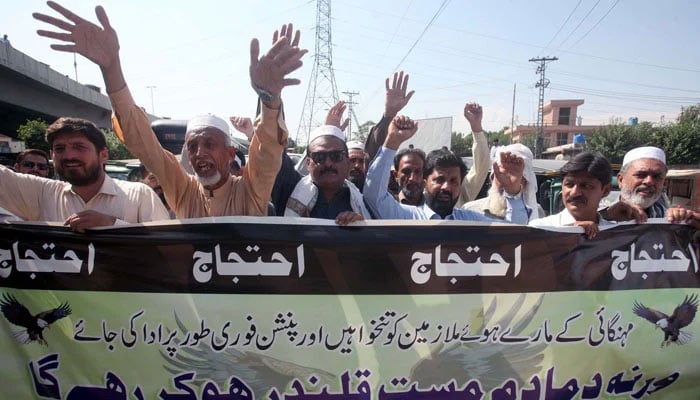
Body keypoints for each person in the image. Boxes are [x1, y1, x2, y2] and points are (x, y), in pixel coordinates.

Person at [34, 3, 306, 218]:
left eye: (209, 144)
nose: (199, 153)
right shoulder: (184, 189)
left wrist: (269, 100)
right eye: (193, 145)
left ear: (231, 153)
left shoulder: (252, 190)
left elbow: (268, 150)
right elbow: (142, 141)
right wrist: (111, 67)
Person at [0, 117, 169, 231]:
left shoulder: (140, 195)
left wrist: (112, 225)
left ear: (103, 155)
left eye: (79, 147)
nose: (68, 156)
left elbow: (170, 249)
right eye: (60, 149)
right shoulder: (43, 193)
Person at [364, 115, 529, 223]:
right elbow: (373, 195)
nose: (446, 187)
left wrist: (513, 190)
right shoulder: (406, 217)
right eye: (439, 180)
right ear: (424, 183)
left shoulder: (470, 223)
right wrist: (392, 141)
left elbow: (514, 233)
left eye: (453, 181)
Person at [284, 125, 370, 225]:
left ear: (347, 162)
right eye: (319, 157)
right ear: (308, 163)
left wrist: (361, 226)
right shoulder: (290, 188)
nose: (328, 163)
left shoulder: (361, 199)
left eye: (336, 156)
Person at [530, 152, 614, 239]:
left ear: (606, 190)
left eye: (586, 186)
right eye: (569, 184)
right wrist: (571, 232)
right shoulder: (539, 230)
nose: (574, 193)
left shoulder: (616, 235)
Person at [616, 146, 700, 228]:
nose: (649, 181)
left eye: (657, 176)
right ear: (621, 180)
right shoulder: (605, 216)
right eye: (641, 175)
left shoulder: (668, 219)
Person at [463, 143, 544, 221]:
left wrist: (513, 194)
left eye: (516, 177)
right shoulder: (469, 211)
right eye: (502, 174)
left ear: (526, 183)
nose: (506, 182)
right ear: (492, 178)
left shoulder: (537, 212)